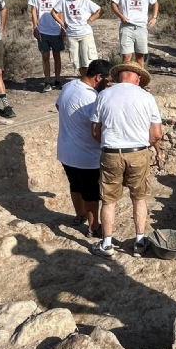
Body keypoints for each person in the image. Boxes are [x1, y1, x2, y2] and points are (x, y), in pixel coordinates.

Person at [89, 63, 162, 258]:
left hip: (111, 152)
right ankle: (139, 242)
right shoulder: (147, 97)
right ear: (137, 79)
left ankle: (107, 244)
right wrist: (140, 145)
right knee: (139, 198)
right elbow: (156, 134)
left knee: (109, 200)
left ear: (120, 76)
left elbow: (95, 130)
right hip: (138, 152)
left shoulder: (104, 95)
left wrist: (108, 144)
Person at [56, 59, 112, 238]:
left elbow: (58, 105)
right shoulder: (91, 98)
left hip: (65, 150)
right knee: (91, 193)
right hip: (86, 156)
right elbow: (98, 127)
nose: (108, 85)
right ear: (98, 77)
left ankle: (80, 215)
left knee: (75, 185)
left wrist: (72, 122)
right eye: (108, 81)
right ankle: (94, 227)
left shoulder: (70, 85)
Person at [111, 0, 158, 68]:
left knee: (140, 57)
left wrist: (154, 17)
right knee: (126, 57)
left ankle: (140, 81)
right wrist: (121, 16)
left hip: (141, 27)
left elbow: (155, 3)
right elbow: (113, 4)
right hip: (126, 26)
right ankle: (125, 81)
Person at [52, 0, 102, 74]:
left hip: (85, 34)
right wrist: (62, 23)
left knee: (88, 60)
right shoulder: (64, 1)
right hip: (71, 35)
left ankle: (89, 80)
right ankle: (83, 78)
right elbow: (53, 12)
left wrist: (91, 19)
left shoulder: (85, 1)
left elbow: (100, 11)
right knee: (77, 61)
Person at [28, 0, 65, 92]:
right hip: (42, 30)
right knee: (45, 56)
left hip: (55, 28)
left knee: (57, 55)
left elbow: (60, 11)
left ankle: (58, 80)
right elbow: (33, 10)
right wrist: (35, 27)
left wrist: (62, 27)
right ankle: (47, 82)